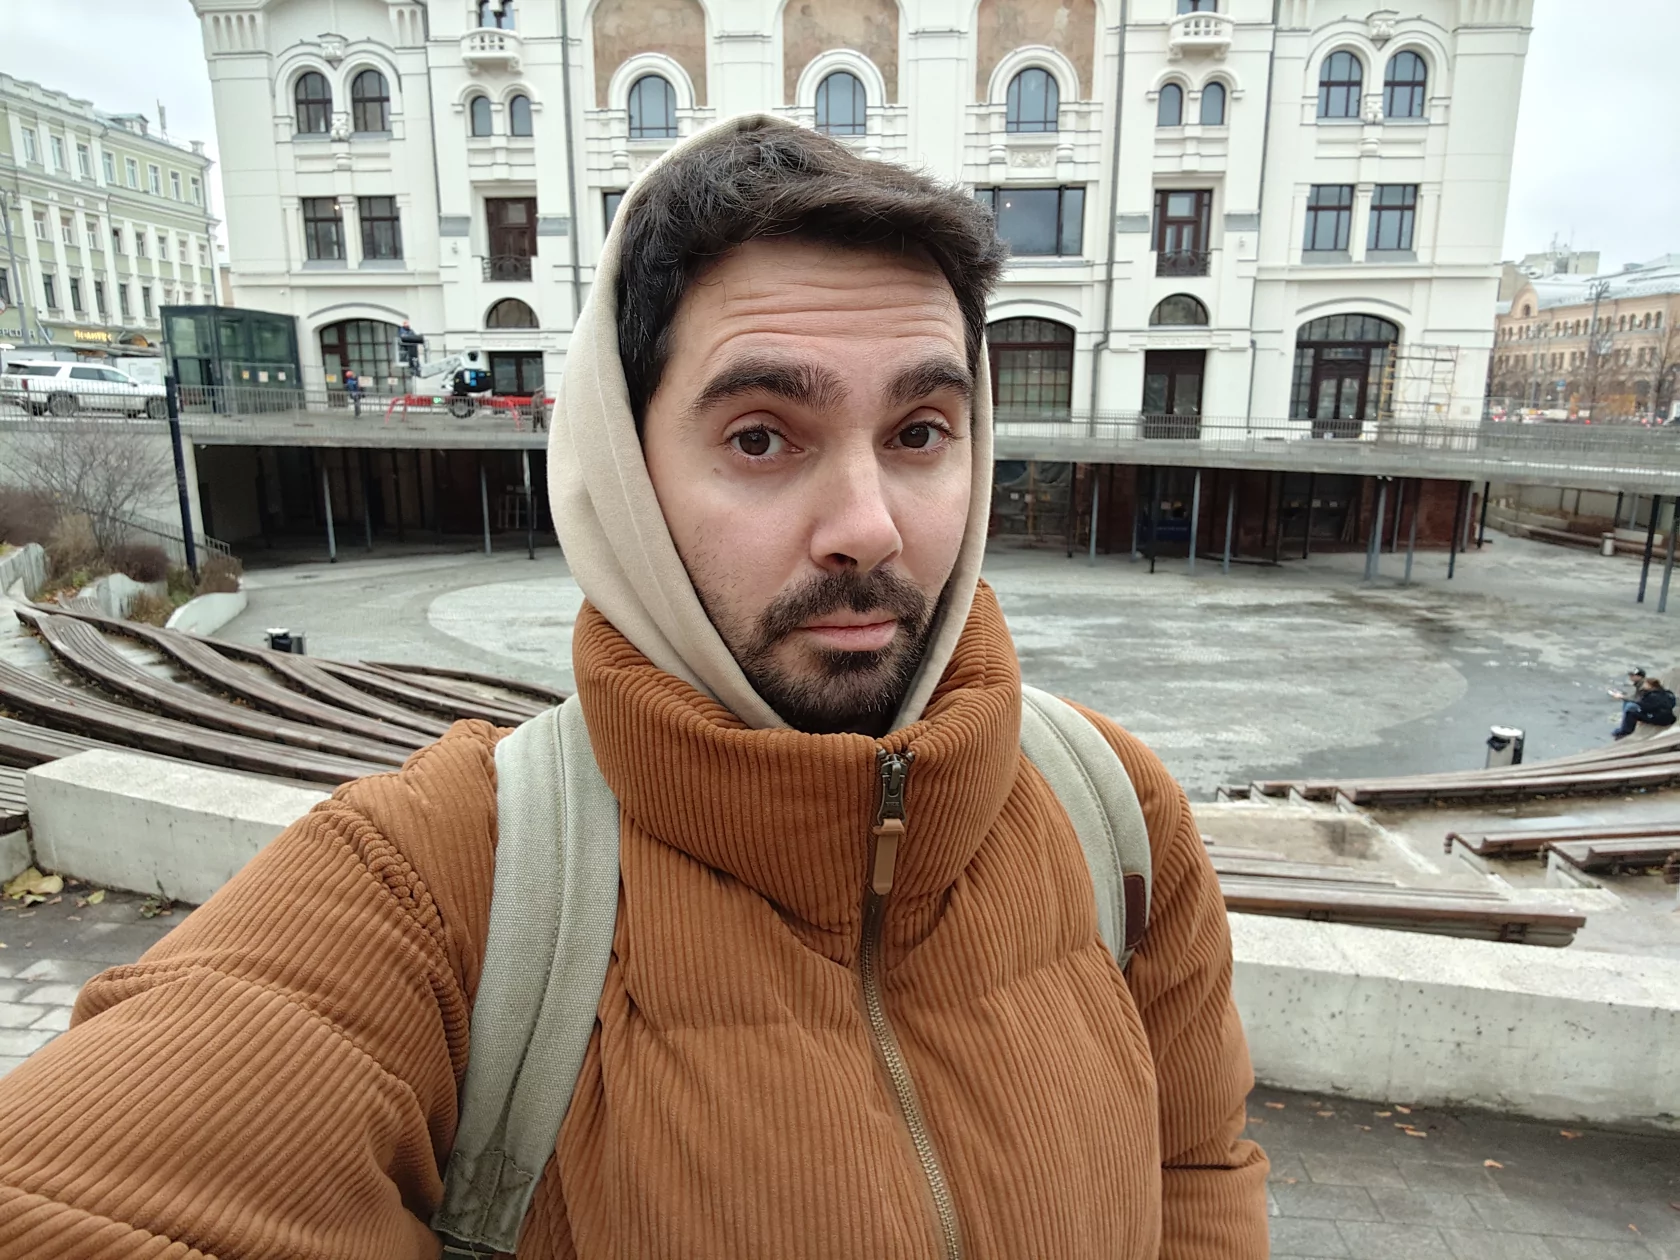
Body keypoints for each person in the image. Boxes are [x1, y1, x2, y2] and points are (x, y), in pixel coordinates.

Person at [0, 118, 1268, 1258]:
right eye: (761, 436)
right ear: (623, 468)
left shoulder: (1114, 816)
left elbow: (1197, 1175)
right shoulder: (446, 882)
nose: (870, 527)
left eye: (919, 432)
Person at [1613, 675, 1677, 739]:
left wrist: (1624, 698)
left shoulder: (1652, 695)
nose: (1643, 685)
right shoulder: (1667, 693)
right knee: (1632, 706)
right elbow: (1673, 703)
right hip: (1669, 718)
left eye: (1645, 684)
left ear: (1650, 686)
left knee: (1631, 712)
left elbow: (1645, 707)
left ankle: (1625, 732)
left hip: (1659, 719)